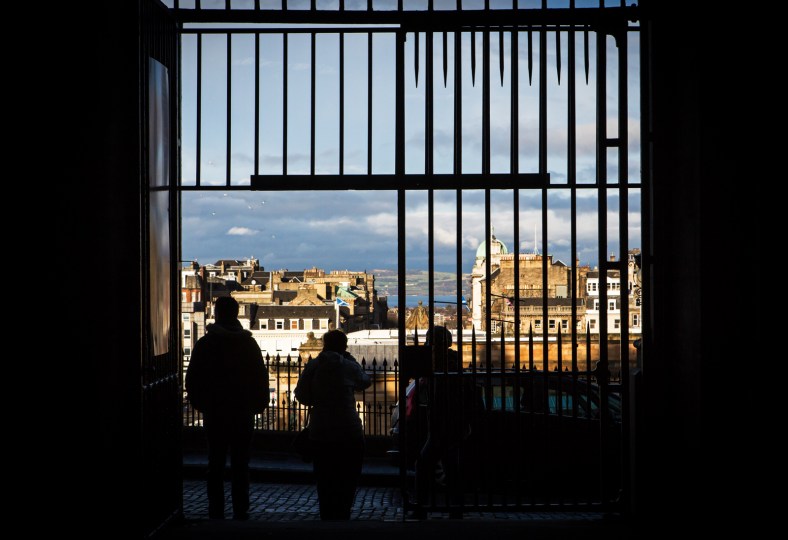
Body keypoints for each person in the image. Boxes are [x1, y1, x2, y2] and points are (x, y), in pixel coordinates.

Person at [185, 295, 270, 521]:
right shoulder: (248, 344)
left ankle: (216, 510)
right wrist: (259, 403)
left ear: (217, 314)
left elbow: (193, 378)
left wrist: (200, 403)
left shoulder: (206, 343)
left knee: (215, 463)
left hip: (215, 410)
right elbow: (260, 377)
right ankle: (241, 509)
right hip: (242, 410)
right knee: (241, 464)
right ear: (235, 314)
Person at [294, 329, 372, 520]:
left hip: (320, 428)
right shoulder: (348, 366)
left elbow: (301, 396)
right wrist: (351, 361)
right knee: (349, 474)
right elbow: (365, 382)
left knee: (324, 475)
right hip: (348, 428)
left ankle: (327, 512)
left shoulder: (312, 366)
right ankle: (343, 510)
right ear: (344, 346)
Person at [414, 325, 474, 519]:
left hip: (443, 422)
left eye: (430, 340)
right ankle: (456, 508)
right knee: (451, 467)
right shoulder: (452, 362)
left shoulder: (441, 363)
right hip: (452, 421)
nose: (427, 344)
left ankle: (421, 506)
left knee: (425, 465)